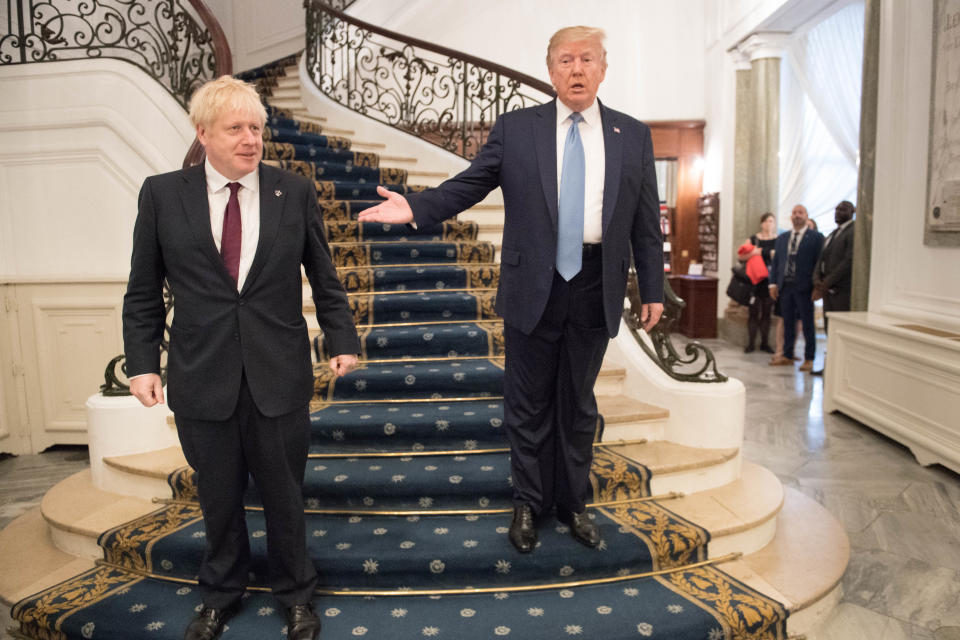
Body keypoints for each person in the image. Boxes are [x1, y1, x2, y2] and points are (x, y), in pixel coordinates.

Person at [357, 26, 663, 554]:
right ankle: (526, 501)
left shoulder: (632, 135)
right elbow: (471, 183)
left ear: (603, 68)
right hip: (533, 285)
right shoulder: (519, 129)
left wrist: (653, 288)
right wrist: (417, 207)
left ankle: (572, 502)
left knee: (577, 404)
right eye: (565, 60)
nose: (576, 69)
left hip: (597, 284)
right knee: (526, 402)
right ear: (550, 70)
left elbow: (644, 223)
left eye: (587, 59)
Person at [122, 76, 360, 640]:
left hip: (277, 371)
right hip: (201, 374)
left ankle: (296, 593)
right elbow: (142, 288)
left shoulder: (292, 191)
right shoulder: (161, 194)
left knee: (284, 493)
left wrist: (342, 338)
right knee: (218, 495)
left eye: (256, 127)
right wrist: (142, 362)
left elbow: (323, 276)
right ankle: (220, 593)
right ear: (202, 133)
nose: (250, 139)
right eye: (235, 128)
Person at [769, 205, 824, 372]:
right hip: (785, 286)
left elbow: (820, 263)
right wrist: (773, 283)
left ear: (807, 216)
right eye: (794, 213)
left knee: (807, 324)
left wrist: (818, 286)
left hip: (805, 287)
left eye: (800, 213)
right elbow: (776, 262)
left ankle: (809, 358)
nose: (797, 215)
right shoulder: (783, 238)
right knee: (788, 322)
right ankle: (787, 354)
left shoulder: (816, 238)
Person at [810, 200, 855, 375]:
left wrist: (827, 281)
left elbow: (847, 262)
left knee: (840, 333)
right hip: (828, 291)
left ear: (852, 212)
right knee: (830, 331)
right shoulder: (833, 233)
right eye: (836, 209)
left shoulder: (852, 232)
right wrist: (817, 280)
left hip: (841, 292)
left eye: (843, 209)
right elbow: (821, 259)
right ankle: (830, 367)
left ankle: (840, 370)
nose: (838, 212)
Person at [738, 212, 777, 353]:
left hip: (770, 280)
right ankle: (750, 343)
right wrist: (755, 253)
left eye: (771, 221)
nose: (768, 224)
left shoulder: (778, 240)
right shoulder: (754, 239)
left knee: (767, 312)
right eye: (766, 221)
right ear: (761, 223)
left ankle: (765, 343)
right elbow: (741, 256)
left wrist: (762, 253)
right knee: (753, 312)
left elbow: (778, 257)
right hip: (754, 280)